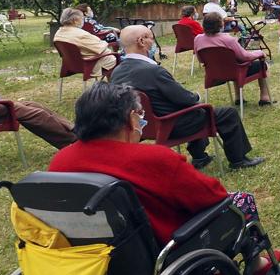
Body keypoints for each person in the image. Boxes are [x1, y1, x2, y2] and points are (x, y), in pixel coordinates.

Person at [48, 83, 280, 275]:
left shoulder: (60, 162)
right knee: (239, 201)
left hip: (94, 257)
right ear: (131, 119)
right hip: (161, 249)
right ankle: (257, 266)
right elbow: (213, 196)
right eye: (140, 116)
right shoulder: (152, 158)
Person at [110, 25, 265, 170]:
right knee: (225, 113)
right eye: (151, 38)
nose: (153, 43)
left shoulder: (116, 72)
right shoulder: (153, 71)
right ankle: (238, 160)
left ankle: (199, 157)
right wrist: (195, 95)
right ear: (141, 41)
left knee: (192, 111)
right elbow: (185, 99)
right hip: (171, 125)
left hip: (143, 126)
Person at [193, 13, 275, 106]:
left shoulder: (198, 39)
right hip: (235, 72)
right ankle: (265, 97)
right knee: (261, 65)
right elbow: (245, 57)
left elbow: (201, 60)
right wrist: (260, 53)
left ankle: (238, 98)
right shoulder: (228, 40)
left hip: (213, 74)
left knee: (234, 62)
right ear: (221, 24)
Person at [53, 8, 119, 77]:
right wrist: (107, 44)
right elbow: (100, 47)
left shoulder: (58, 33)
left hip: (71, 65)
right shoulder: (80, 34)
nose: (83, 20)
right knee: (115, 58)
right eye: (82, 18)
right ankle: (113, 86)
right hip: (89, 64)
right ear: (74, 21)